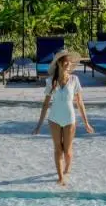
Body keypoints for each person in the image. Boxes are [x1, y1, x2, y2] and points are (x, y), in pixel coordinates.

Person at [33, 50, 94, 186]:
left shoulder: (74, 80)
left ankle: (67, 169)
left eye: (70, 62)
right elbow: (45, 104)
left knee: (67, 150)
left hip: (69, 119)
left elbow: (79, 102)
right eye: (66, 61)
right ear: (59, 63)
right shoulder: (50, 81)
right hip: (54, 119)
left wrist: (86, 123)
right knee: (57, 149)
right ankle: (60, 177)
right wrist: (38, 125)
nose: (68, 64)